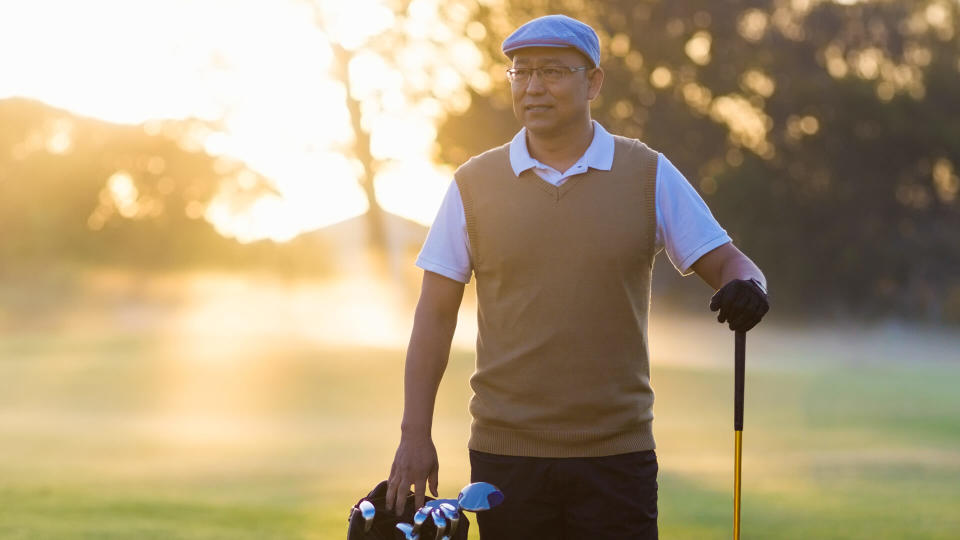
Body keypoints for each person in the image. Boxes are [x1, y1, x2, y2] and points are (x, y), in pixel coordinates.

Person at [385, 14, 769, 539]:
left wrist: (750, 286)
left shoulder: (647, 173)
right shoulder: (474, 184)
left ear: (593, 82)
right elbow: (433, 314)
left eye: (552, 71)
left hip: (617, 455)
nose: (533, 86)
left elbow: (728, 262)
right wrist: (414, 434)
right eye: (520, 72)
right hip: (505, 457)